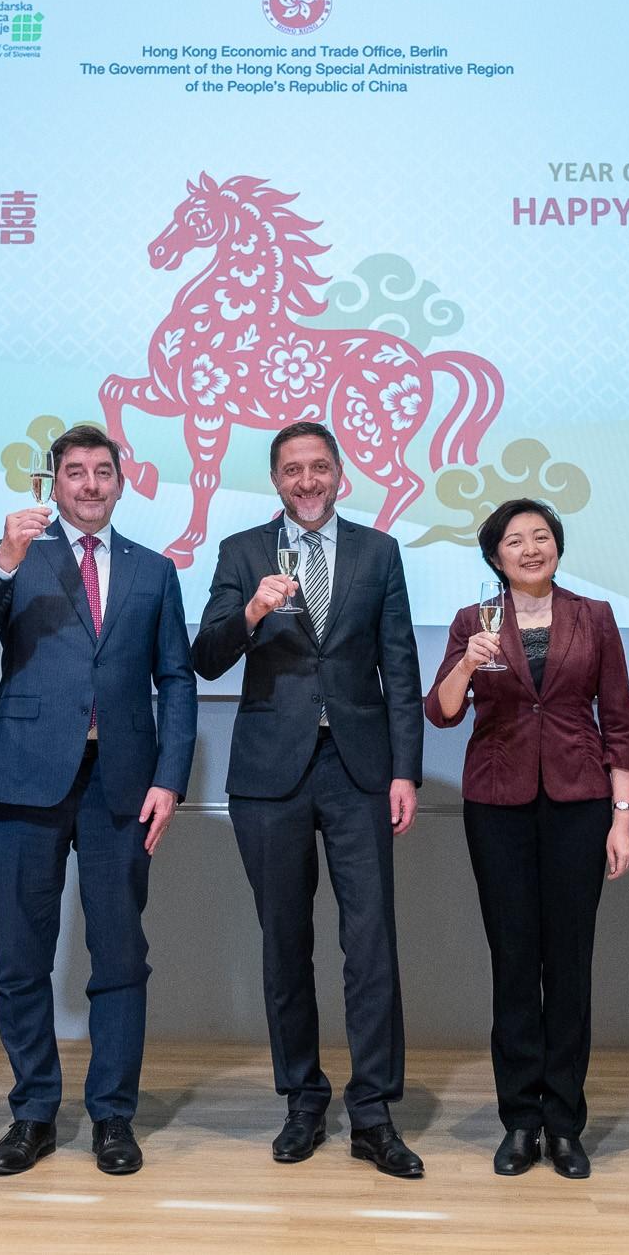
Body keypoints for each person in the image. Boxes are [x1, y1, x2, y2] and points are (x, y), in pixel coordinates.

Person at [0, 424, 197, 1177]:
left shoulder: (155, 569)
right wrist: (2, 559)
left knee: (120, 955)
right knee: (22, 955)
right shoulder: (19, 554)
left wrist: (169, 777)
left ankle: (113, 1115)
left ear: (122, 482)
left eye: (102, 472)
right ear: (53, 484)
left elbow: (176, 678)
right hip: (26, 775)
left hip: (123, 783)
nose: (89, 484)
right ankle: (33, 1112)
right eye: (75, 472)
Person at [192, 421, 426, 1178]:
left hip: (359, 770)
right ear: (276, 479)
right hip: (271, 773)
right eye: (292, 469)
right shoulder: (242, 552)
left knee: (371, 942)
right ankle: (302, 1099)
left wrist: (405, 771)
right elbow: (206, 656)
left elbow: (400, 666)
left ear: (339, 473)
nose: (306, 480)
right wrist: (253, 612)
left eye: (318, 466)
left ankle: (373, 1111)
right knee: (285, 942)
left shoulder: (378, 551)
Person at [425, 498, 629, 1179]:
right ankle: (520, 1119)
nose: (530, 548)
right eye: (514, 541)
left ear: (557, 546)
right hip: (498, 805)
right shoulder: (474, 621)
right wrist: (466, 664)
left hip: (580, 802)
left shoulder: (594, 616)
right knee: (514, 960)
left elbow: (619, 720)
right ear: (496, 556)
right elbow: (441, 712)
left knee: (569, 964)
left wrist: (623, 815)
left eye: (541, 536)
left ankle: (565, 1123)